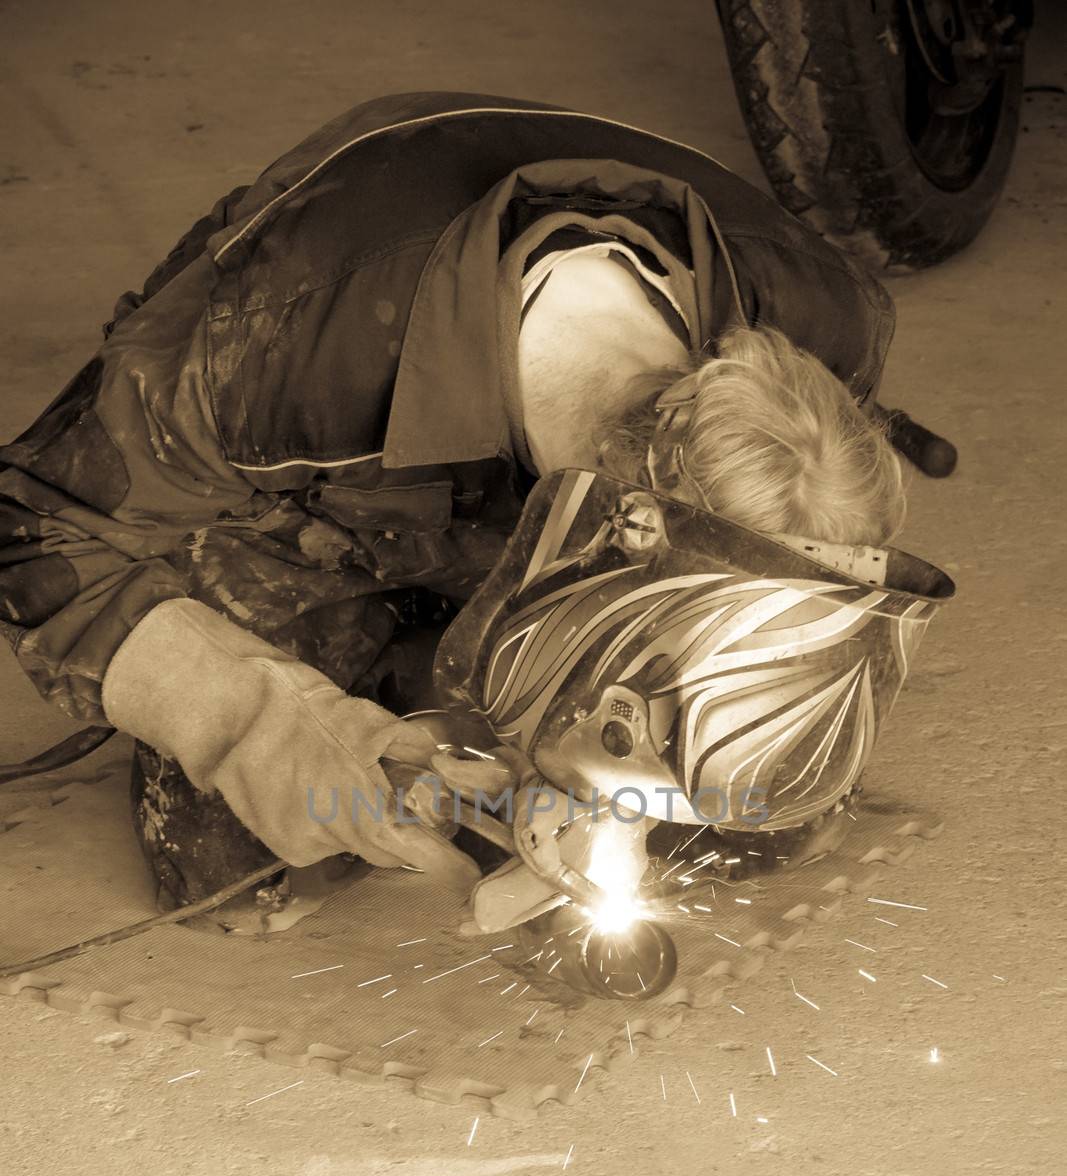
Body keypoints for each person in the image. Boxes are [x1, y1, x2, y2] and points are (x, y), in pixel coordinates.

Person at [0, 90, 907, 909]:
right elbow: (32, 529)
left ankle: (508, 678)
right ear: (616, 534)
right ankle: (388, 652)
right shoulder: (277, 349)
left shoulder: (824, 315)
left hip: (540, 502)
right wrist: (261, 722)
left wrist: (615, 779)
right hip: (320, 509)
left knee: (752, 803)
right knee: (252, 862)